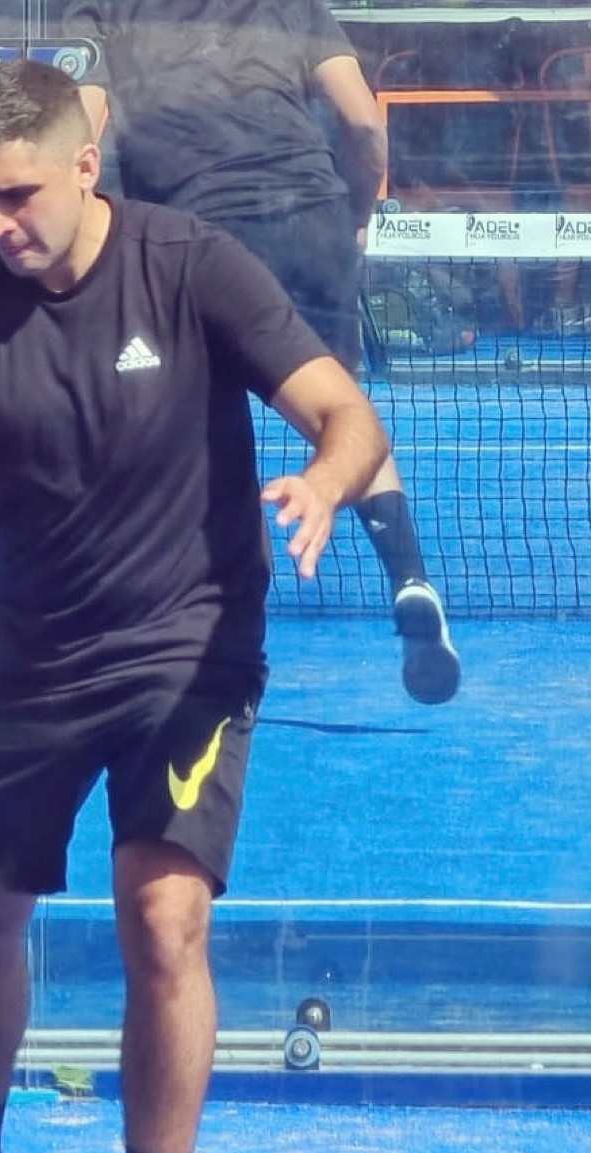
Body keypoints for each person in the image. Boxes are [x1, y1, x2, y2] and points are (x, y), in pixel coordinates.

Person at [0, 58, 391, 1153]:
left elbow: (344, 411)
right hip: (32, 646)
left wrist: (326, 481)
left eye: (19, 194)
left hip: (190, 647)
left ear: (84, 165)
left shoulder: (191, 265)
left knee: (164, 914)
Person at [64, 0, 461, 705]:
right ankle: (410, 576)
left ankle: (184, 626)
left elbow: (80, 130)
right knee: (340, 410)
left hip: (193, 232)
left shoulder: (102, 7)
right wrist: (357, 214)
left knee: (180, 425)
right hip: (310, 220)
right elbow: (363, 122)